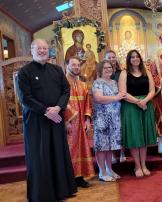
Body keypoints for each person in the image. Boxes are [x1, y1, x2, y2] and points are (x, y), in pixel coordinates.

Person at [17, 39, 77, 201]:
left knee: (58, 153)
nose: (43, 51)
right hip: (36, 122)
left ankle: (61, 191)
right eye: (39, 48)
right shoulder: (24, 73)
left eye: (45, 48)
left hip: (56, 118)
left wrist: (58, 108)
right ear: (32, 50)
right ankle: (42, 194)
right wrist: (45, 111)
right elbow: (25, 98)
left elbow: (66, 90)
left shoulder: (57, 70)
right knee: (39, 156)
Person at [119, 50, 157, 177]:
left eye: (137, 57)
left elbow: (152, 90)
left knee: (144, 136)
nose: (135, 59)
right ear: (129, 60)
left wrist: (144, 101)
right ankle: (137, 165)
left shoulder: (147, 72)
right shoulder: (124, 73)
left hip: (146, 105)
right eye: (132, 57)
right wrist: (138, 102)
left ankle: (144, 164)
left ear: (140, 58)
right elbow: (123, 93)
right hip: (131, 107)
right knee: (135, 136)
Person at [64, 56, 95, 188]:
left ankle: (80, 177)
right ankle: (69, 179)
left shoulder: (82, 85)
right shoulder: (62, 83)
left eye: (78, 65)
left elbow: (88, 103)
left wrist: (88, 119)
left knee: (82, 149)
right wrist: (66, 121)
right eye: (73, 65)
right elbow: (62, 102)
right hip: (69, 124)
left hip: (82, 124)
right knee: (70, 150)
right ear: (67, 65)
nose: (76, 67)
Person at [92, 60, 126, 181]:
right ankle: (102, 172)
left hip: (114, 118)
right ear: (100, 70)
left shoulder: (114, 82)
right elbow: (99, 98)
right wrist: (116, 97)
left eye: (110, 67)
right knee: (102, 146)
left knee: (110, 146)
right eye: (105, 68)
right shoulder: (97, 83)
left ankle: (109, 169)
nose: (108, 69)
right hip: (102, 118)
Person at [105, 50, 127, 163]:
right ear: (105, 59)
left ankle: (122, 153)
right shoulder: (102, 72)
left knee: (120, 128)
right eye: (109, 57)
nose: (112, 59)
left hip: (120, 103)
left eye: (113, 57)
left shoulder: (121, 72)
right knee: (111, 130)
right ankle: (114, 154)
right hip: (108, 104)